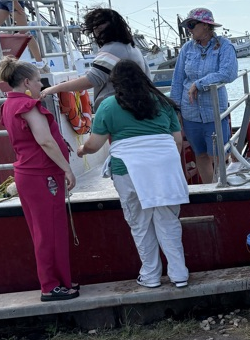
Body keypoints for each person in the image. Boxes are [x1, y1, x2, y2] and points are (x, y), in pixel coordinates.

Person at [77, 60, 190, 289]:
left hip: (128, 170)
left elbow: (95, 144)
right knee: (168, 222)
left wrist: (82, 150)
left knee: (140, 223)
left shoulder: (108, 105)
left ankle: (150, 276)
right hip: (165, 169)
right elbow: (177, 141)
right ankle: (179, 275)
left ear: (115, 83)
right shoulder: (162, 102)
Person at [0, 58, 78, 301]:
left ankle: (59, 280)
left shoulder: (8, 105)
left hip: (28, 174)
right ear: (26, 82)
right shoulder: (28, 106)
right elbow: (45, 141)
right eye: (37, 81)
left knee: (43, 231)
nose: (40, 85)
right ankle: (50, 285)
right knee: (50, 231)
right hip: (42, 175)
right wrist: (67, 169)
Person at [170, 9, 238, 184]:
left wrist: (199, 84)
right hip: (190, 111)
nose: (189, 30)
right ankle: (210, 187)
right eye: (187, 26)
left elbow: (228, 73)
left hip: (214, 110)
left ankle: (222, 183)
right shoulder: (186, 49)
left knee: (219, 154)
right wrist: (175, 109)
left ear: (206, 26)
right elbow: (177, 80)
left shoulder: (224, 46)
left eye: (192, 25)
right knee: (200, 153)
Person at [40, 7, 151, 110]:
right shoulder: (132, 47)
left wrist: (53, 89)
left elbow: (91, 80)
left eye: (101, 23)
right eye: (94, 25)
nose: (97, 28)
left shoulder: (111, 49)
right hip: (138, 108)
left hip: (117, 109)